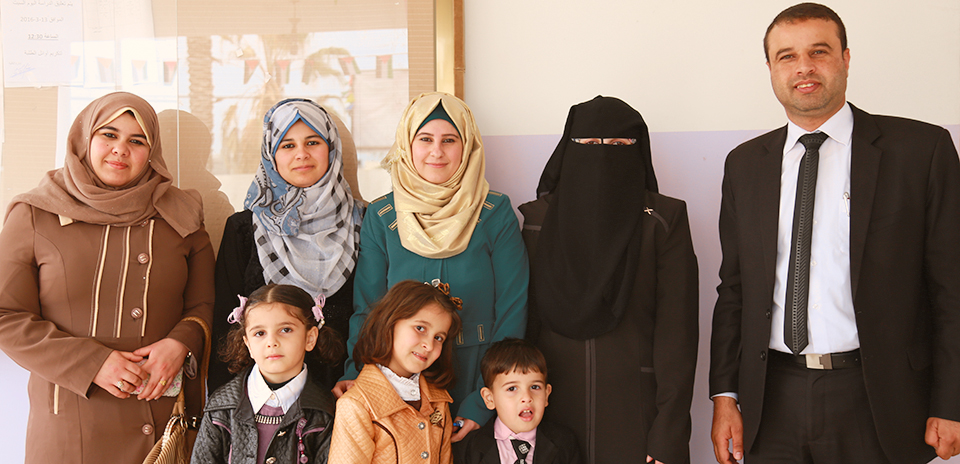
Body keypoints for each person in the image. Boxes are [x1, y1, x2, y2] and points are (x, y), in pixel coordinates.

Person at [709, 3, 960, 463]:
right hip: (772, 400)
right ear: (770, 69)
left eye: (819, 51)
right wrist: (724, 396)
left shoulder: (921, 151)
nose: (803, 67)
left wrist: (951, 401)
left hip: (876, 399)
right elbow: (735, 289)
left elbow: (952, 287)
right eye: (787, 56)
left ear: (845, 58)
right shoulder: (744, 164)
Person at [0, 92, 214, 463]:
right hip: (71, 428)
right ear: (84, 138)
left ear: (152, 151)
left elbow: (203, 304)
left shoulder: (182, 216)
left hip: (162, 425)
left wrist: (181, 343)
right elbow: (6, 315)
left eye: (137, 141)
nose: (120, 150)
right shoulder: (34, 214)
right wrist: (91, 363)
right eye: (109, 135)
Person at [334, 92, 529, 442]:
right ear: (407, 146)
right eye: (424, 139)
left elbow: (512, 309)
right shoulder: (382, 216)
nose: (436, 151)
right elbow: (368, 309)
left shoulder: (495, 212)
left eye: (449, 140)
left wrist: (485, 398)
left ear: (467, 147)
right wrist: (357, 372)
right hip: (399, 381)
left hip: (478, 374)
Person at [519, 96, 699, 464]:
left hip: (636, 415)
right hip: (548, 415)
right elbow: (526, 326)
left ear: (638, 149)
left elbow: (678, 333)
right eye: (588, 143)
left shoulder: (662, 220)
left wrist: (668, 434)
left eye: (618, 144)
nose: (602, 154)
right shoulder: (538, 221)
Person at [210, 98, 363, 393]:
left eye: (313, 142)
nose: (301, 154)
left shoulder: (364, 222)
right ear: (271, 155)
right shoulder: (243, 228)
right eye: (287, 145)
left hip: (347, 389)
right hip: (262, 398)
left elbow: (374, 314)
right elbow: (224, 328)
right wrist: (225, 405)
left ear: (331, 149)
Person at [191, 284, 340, 464]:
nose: (272, 342)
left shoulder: (325, 412)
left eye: (285, 330)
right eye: (260, 333)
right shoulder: (221, 408)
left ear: (310, 338)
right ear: (248, 344)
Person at [329, 280, 463, 463]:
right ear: (389, 323)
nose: (429, 345)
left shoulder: (439, 400)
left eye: (439, 338)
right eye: (420, 328)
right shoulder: (355, 405)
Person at [457, 338, 581, 464]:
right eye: (512, 388)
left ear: (546, 394)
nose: (527, 397)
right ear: (490, 398)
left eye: (535, 387)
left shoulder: (564, 443)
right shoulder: (468, 448)